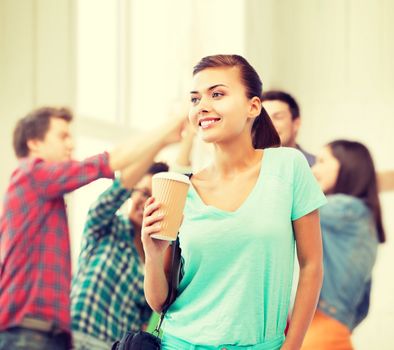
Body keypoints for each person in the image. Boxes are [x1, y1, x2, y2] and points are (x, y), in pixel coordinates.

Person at [142, 54, 327, 350]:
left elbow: (312, 265)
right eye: (194, 99)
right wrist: (152, 254)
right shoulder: (183, 190)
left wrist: (292, 347)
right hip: (179, 342)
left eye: (217, 94)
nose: (202, 106)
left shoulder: (288, 167)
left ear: (253, 106)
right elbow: (159, 301)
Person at [0, 107, 184, 350]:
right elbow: (107, 163)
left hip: (56, 335)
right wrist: (170, 126)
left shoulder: (46, 195)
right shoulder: (30, 174)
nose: (71, 144)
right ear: (34, 143)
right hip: (31, 333)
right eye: (62, 136)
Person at [71, 162, 169, 349]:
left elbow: (146, 317)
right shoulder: (106, 227)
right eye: (144, 192)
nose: (148, 202)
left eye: (155, 198)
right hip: (77, 337)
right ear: (131, 192)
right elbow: (107, 200)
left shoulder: (157, 260)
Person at [301, 140, 386, 350]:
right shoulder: (363, 216)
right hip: (335, 331)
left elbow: (293, 208)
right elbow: (363, 302)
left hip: (320, 330)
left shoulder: (345, 209)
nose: (314, 169)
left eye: (322, 161)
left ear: (347, 165)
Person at [261, 90, 315, 166]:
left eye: (278, 117)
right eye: (264, 118)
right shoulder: (245, 167)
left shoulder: (315, 167)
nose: (269, 124)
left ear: (296, 124)